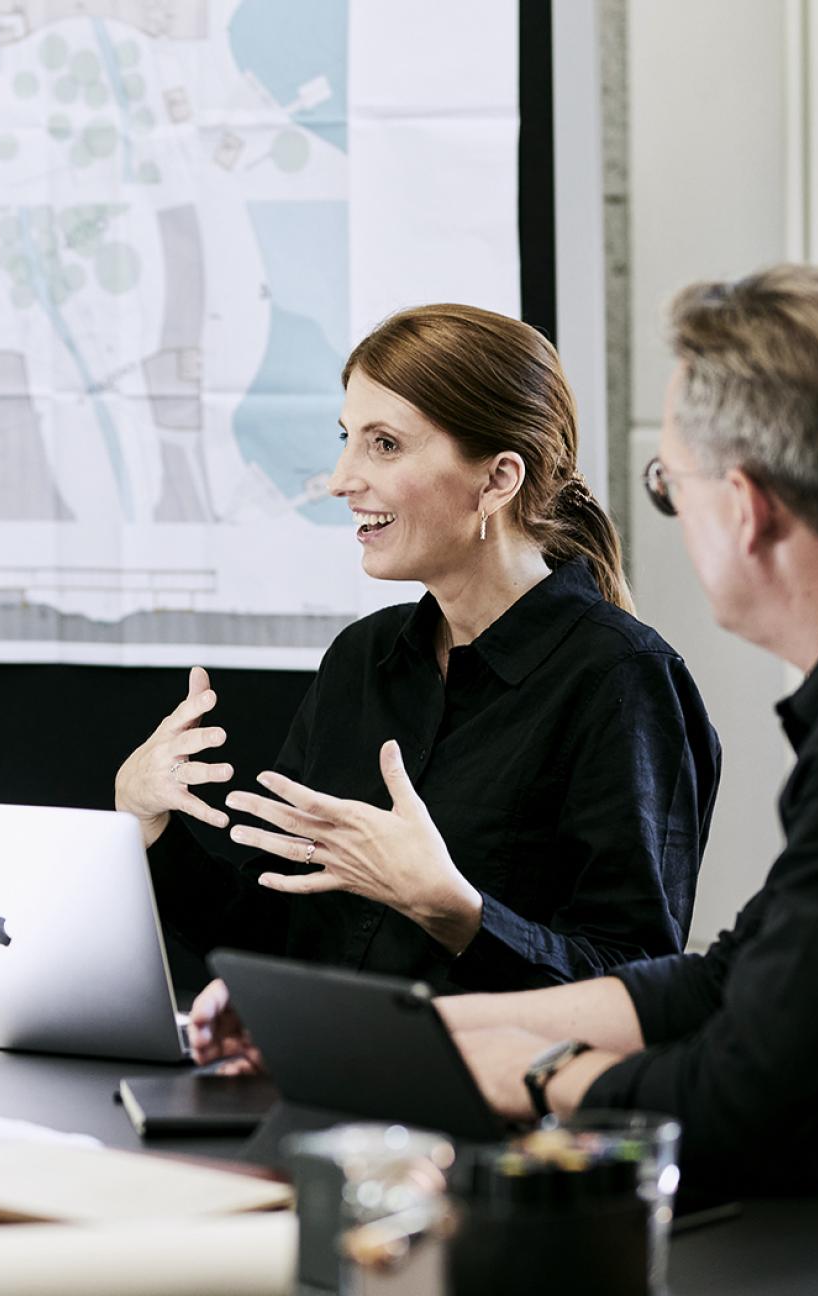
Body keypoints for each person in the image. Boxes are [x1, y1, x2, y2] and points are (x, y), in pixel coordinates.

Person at [115, 304, 720, 1062]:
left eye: (385, 444)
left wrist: (455, 910)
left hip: (497, 1137)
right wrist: (149, 826)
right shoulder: (361, 661)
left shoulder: (624, 683)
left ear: (498, 478)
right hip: (318, 1098)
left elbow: (634, 994)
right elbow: (276, 935)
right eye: (348, 439)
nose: (341, 479)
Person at [439, 265, 818, 1194]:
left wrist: (530, 1075)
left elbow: (746, 1093)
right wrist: (428, 1029)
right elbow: (734, 980)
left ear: (746, 509)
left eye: (671, 487)